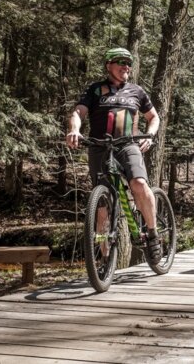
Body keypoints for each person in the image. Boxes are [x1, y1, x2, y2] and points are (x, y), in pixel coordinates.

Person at [66, 47, 162, 263]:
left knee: (138, 183)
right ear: (108, 65)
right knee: (101, 206)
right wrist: (74, 130)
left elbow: (154, 117)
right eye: (120, 62)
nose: (126, 66)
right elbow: (78, 112)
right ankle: (104, 255)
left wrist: (150, 135)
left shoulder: (137, 91)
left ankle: (153, 234)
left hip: (128, 145)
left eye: (128, 63)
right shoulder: (95, 90)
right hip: (100, 147)